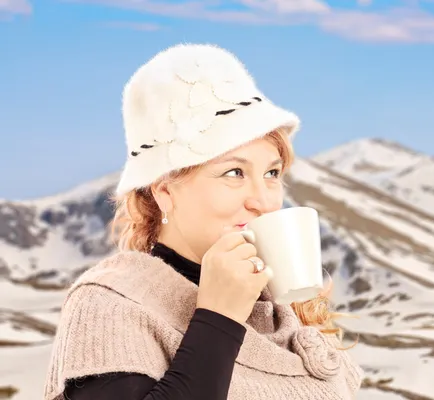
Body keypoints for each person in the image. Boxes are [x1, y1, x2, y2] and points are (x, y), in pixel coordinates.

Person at [43, 43, 364, 400]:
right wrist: (219, 318)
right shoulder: (112, 305)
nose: (264, 200)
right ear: (165, 192)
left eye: (272, 172)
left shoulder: (283, 308)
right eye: (233, 172)